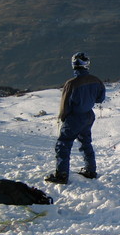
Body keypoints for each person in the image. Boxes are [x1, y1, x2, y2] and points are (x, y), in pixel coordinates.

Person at [45, 52, 106, 184]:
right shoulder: (96, 80)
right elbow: (100, 98)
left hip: (74, 117)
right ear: (87, 65)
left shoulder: (71, 83)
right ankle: (90, 171)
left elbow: (65, 104)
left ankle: (61, 175)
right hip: (89, 116)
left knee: (63, 145)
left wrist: (63, 117)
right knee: (86, 143)